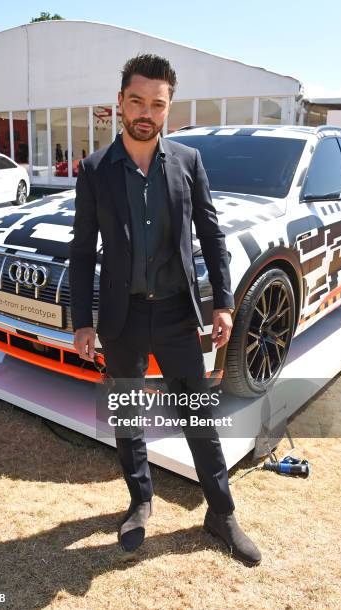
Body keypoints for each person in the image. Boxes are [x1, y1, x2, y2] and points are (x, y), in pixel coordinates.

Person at [69, 54, 261, 566]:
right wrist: (82, 321)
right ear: (120, 103)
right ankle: (140, 501)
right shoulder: (94, 170)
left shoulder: (188, 162)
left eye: (157, 103)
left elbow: (213, 234)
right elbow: (83, 248)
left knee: (197, 414)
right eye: (137, 100)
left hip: (177, 312)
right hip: (122, 317)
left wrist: (223, 302)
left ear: (168, 108)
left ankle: (220, 512)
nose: (146, 112)